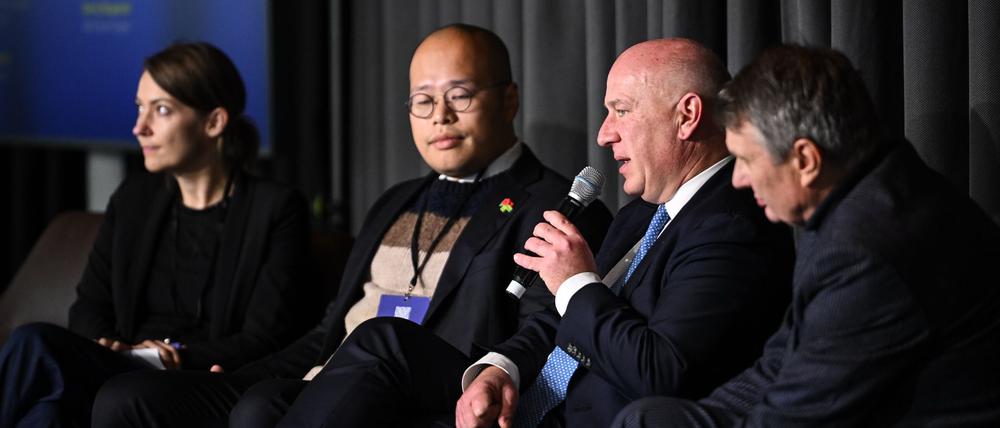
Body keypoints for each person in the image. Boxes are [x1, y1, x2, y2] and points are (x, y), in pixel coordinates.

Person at [90, 24, 613, 427]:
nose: (440, 118)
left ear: (510, 101)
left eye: (460, 96)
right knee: (130, 398)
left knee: (266, 408)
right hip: (318, 380)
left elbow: (549, 330)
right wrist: (249, 372)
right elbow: (328, 330)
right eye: (424, 101)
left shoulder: (555, 204)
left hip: (414, 390)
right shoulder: (394, 201)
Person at [611, 45, 1000, 427]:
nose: (739, 179)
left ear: (805, 160)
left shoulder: (867, 249)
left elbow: (795, 415)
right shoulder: (862, 193)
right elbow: (778, 365)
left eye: (747, 160)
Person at [451, 37, 795, 428]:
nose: (604, 134)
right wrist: (502, 368)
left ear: (687, 116)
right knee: (386, 342)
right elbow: (564, 318)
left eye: (622, 111)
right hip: (521, 410)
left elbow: (660, 373)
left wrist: (576, 283)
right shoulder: (639, 215)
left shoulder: (733, 227)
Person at [0, 42, 310, 427]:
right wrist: (107, 344)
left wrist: (175, 354)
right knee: (46, 406)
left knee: (36, 355)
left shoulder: (275, 209)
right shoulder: (134, 199)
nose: (139, 127)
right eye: (139, 107)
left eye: (161, 110)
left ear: (213, 122)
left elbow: (267, 337)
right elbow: (89, 307)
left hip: (193, 379)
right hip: (119, 365)